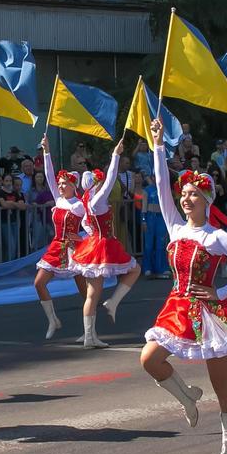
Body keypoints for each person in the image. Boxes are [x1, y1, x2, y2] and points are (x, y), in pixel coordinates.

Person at [142, 117, 227, 454]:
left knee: (222, 385)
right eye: (186, 195)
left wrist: (220, 291)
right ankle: (187, 397)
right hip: (176, 307)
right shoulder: (175, 227)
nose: (187, 198)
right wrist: (159, 144)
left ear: (207, 199)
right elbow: (162, 185)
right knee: (149, 359)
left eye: (195, 194)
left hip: (210, 314)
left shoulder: (217, 237)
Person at [69, 140, 142, 348]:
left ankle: (89, 335)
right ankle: (112, 303)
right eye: (98, 182)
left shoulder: (85, 201)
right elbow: (111, 179)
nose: (102, 184)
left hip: (93, 244)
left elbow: (85, 222)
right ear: (95, 184)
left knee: (92, 294)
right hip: (103, 245)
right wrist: (116, 156)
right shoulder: (98, 200)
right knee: (135, 269)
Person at [33, 135, 90, 339]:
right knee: (39, 283)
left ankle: (88, 331)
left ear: (74, 186)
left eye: (65, 183)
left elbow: (93, 224)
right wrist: (46, 151)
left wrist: (89, 239)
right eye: (60, 183)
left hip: (75, 249)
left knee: (85, 293)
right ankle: (52, 320)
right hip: (57, 246)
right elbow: (48, 174)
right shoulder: (58, 200)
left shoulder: (79, 205)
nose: (60, 186)